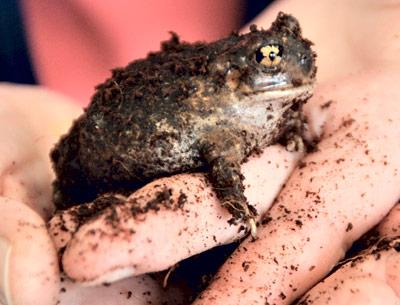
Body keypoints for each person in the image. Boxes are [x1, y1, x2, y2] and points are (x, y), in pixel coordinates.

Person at [1, 0, 399, 304]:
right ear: (235, 72)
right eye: (269, 58)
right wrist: (238, 209)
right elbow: (223, 164)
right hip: (106, 157)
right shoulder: (225, 119)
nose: (295, 64)